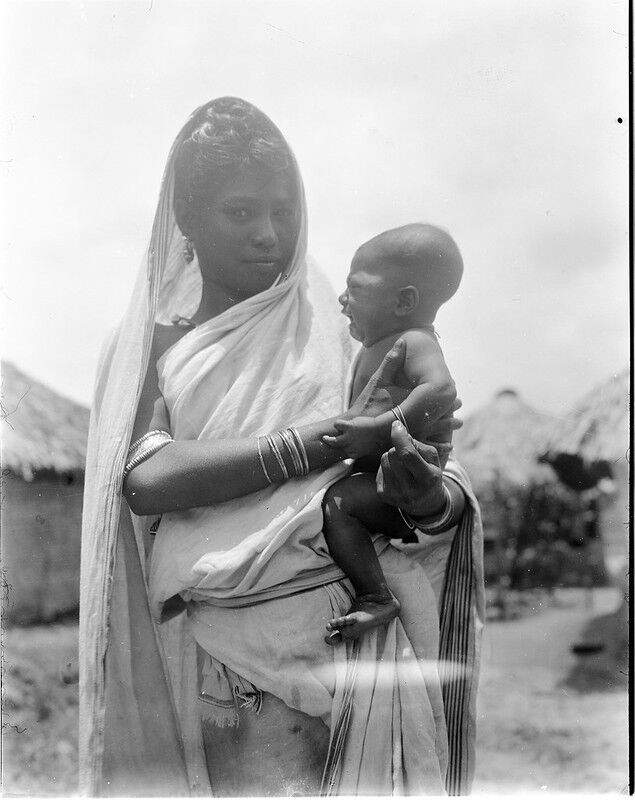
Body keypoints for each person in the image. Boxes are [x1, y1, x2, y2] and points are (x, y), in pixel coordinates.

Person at [79, 97, 485, 797]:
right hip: (224, 656)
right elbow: (146, 478)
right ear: (186, 219)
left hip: (345, 643)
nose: (269, 234)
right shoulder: (154, 345)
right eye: (240, 212)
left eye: (284, 210)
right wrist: (313, 443)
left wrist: (428, 494)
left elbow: (426, 477)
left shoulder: (338, 329)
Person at [321, 223, 463, 643]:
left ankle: (375, 597)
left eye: (355, 289)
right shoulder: (374, 346)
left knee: (338, 504)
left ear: (404, 301)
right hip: (381, 476)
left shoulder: (415, 341)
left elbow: (442, 390)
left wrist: (375, 431)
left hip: (404, 481)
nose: (343, 299)